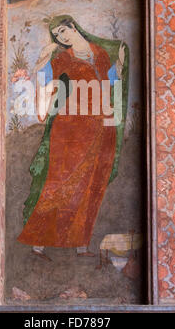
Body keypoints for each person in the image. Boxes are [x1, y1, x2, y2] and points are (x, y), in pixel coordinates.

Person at [17, 15, 128, 261]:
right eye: (57, 35)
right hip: (70, 128)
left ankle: (80, 244)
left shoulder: (99, 52)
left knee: (89, 183)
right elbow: (47, 79)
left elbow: (108, 81)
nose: (62, 37)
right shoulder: (64, 58)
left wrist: (118, 67)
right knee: (59, 183)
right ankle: (38, 245)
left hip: (100, 125)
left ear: (73, 27)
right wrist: (43, 60)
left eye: (63, 31)